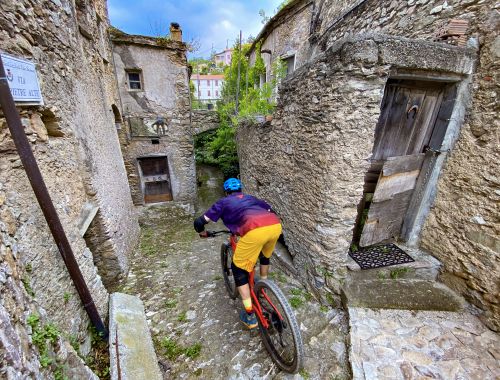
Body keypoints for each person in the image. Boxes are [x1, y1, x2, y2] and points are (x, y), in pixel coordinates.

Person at [194, 178, 282, 329]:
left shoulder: (223, 202)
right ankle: (263, 286)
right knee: (264, 256)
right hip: (275, 225)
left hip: (254, 230)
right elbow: (271, 210)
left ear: (226, 191)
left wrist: (203, 233)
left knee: (237, 269)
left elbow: (199, 222)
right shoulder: (251, 198)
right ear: (240, 189)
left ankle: (250, 315)